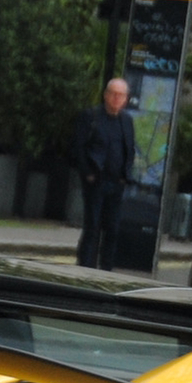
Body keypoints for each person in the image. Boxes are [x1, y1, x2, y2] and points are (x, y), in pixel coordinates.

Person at [70, 76, 138, 270]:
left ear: (126, 99)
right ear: (106, 95)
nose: (117, 98)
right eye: (114, 94)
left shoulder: (126, 121)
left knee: (113, 228)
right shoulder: (91, 116)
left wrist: (126, 173)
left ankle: (106, 269)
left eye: (121, 95)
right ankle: (86, 267)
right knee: (92, 226)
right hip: (96, 180)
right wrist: (87, 173)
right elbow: (79, 147)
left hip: (117, 182)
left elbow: (130, 148)